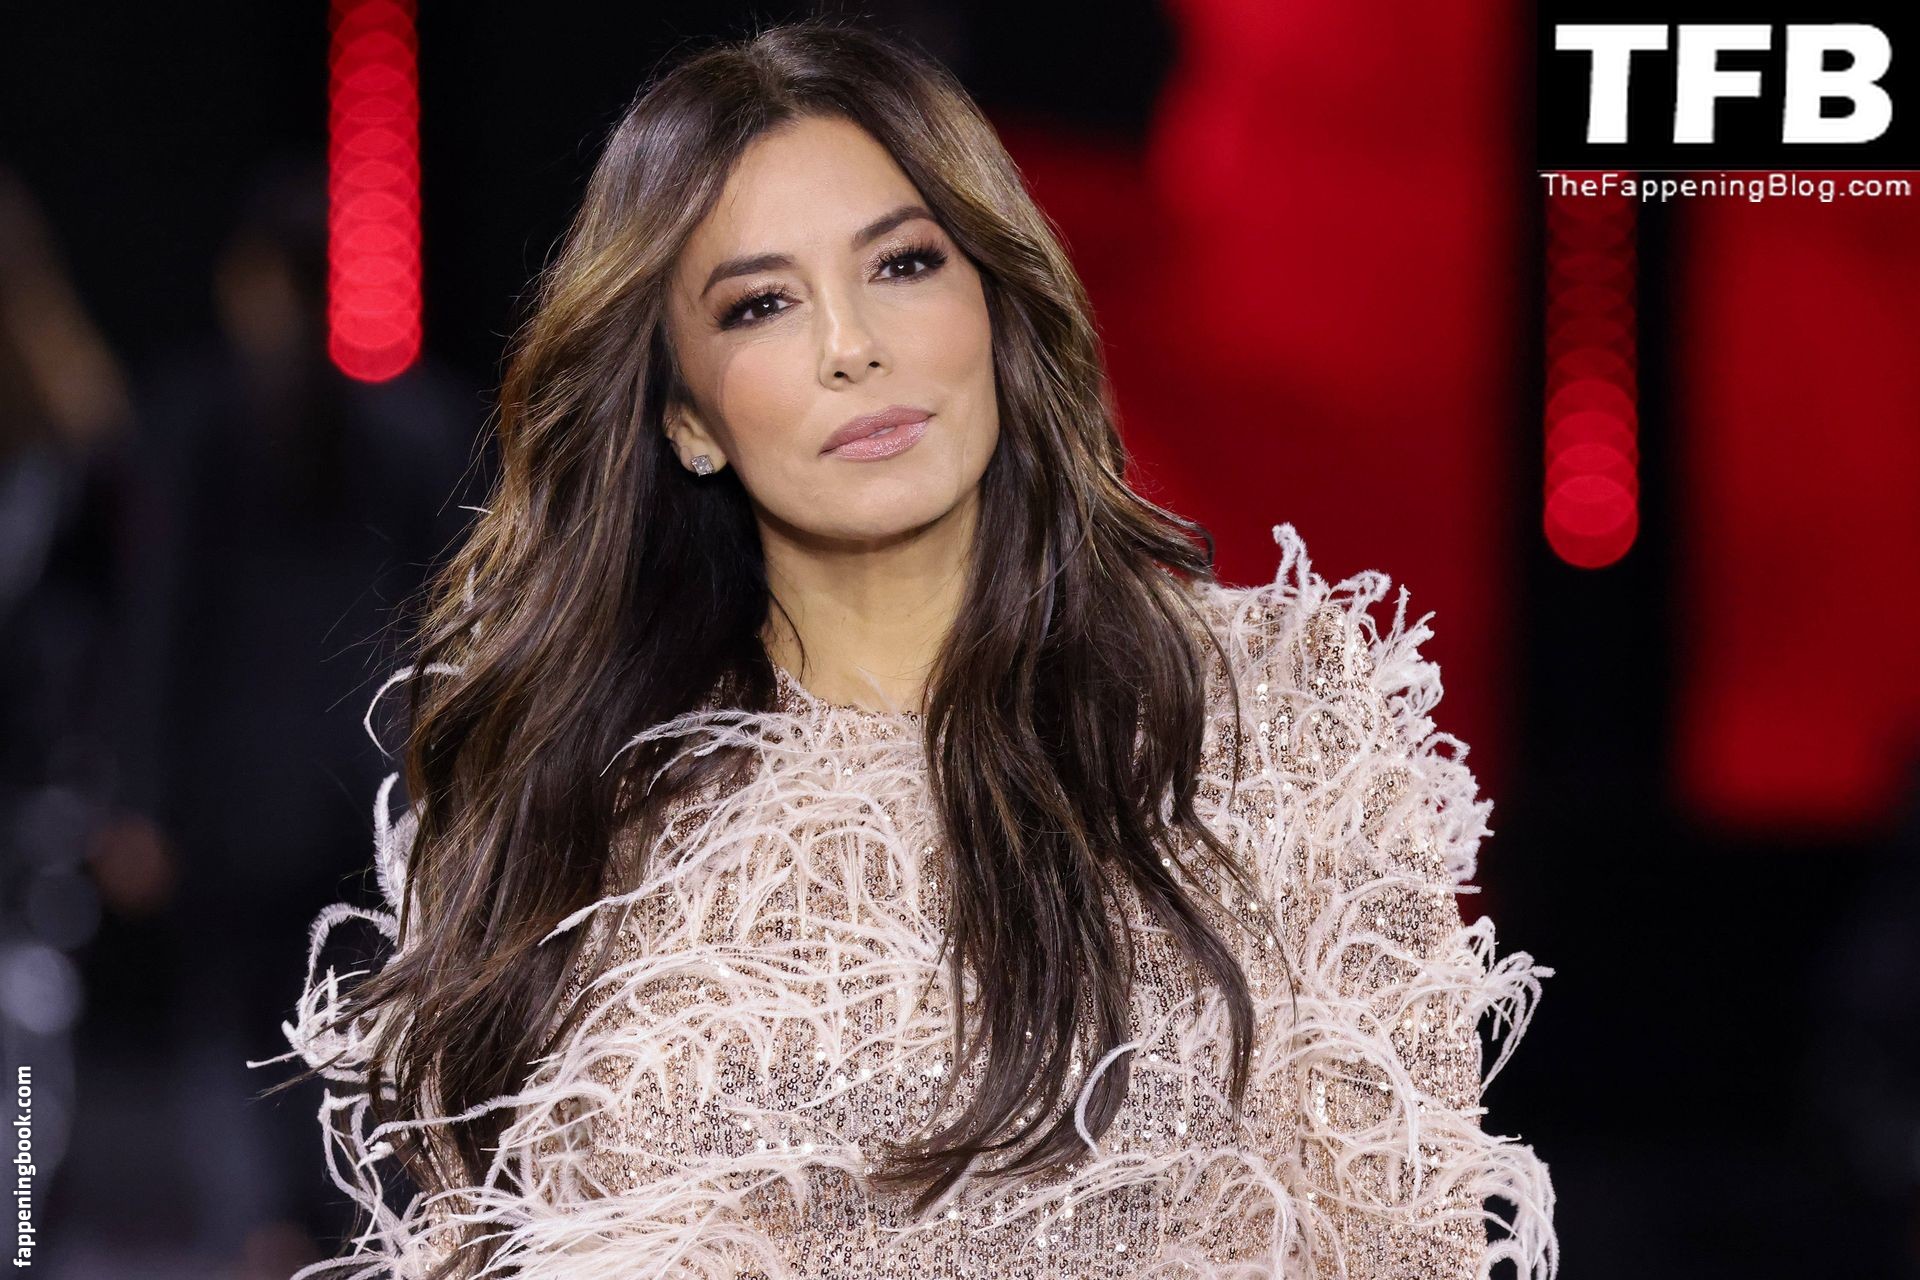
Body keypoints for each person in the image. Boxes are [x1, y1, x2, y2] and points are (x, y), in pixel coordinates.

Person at [260, 19, 1558, 1279]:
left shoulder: (1275, 724)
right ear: (688, 419)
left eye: (902, 265)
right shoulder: (594, 816)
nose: (852, 347)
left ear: (996, 303)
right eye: (763, 304)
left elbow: (1403, 1237)